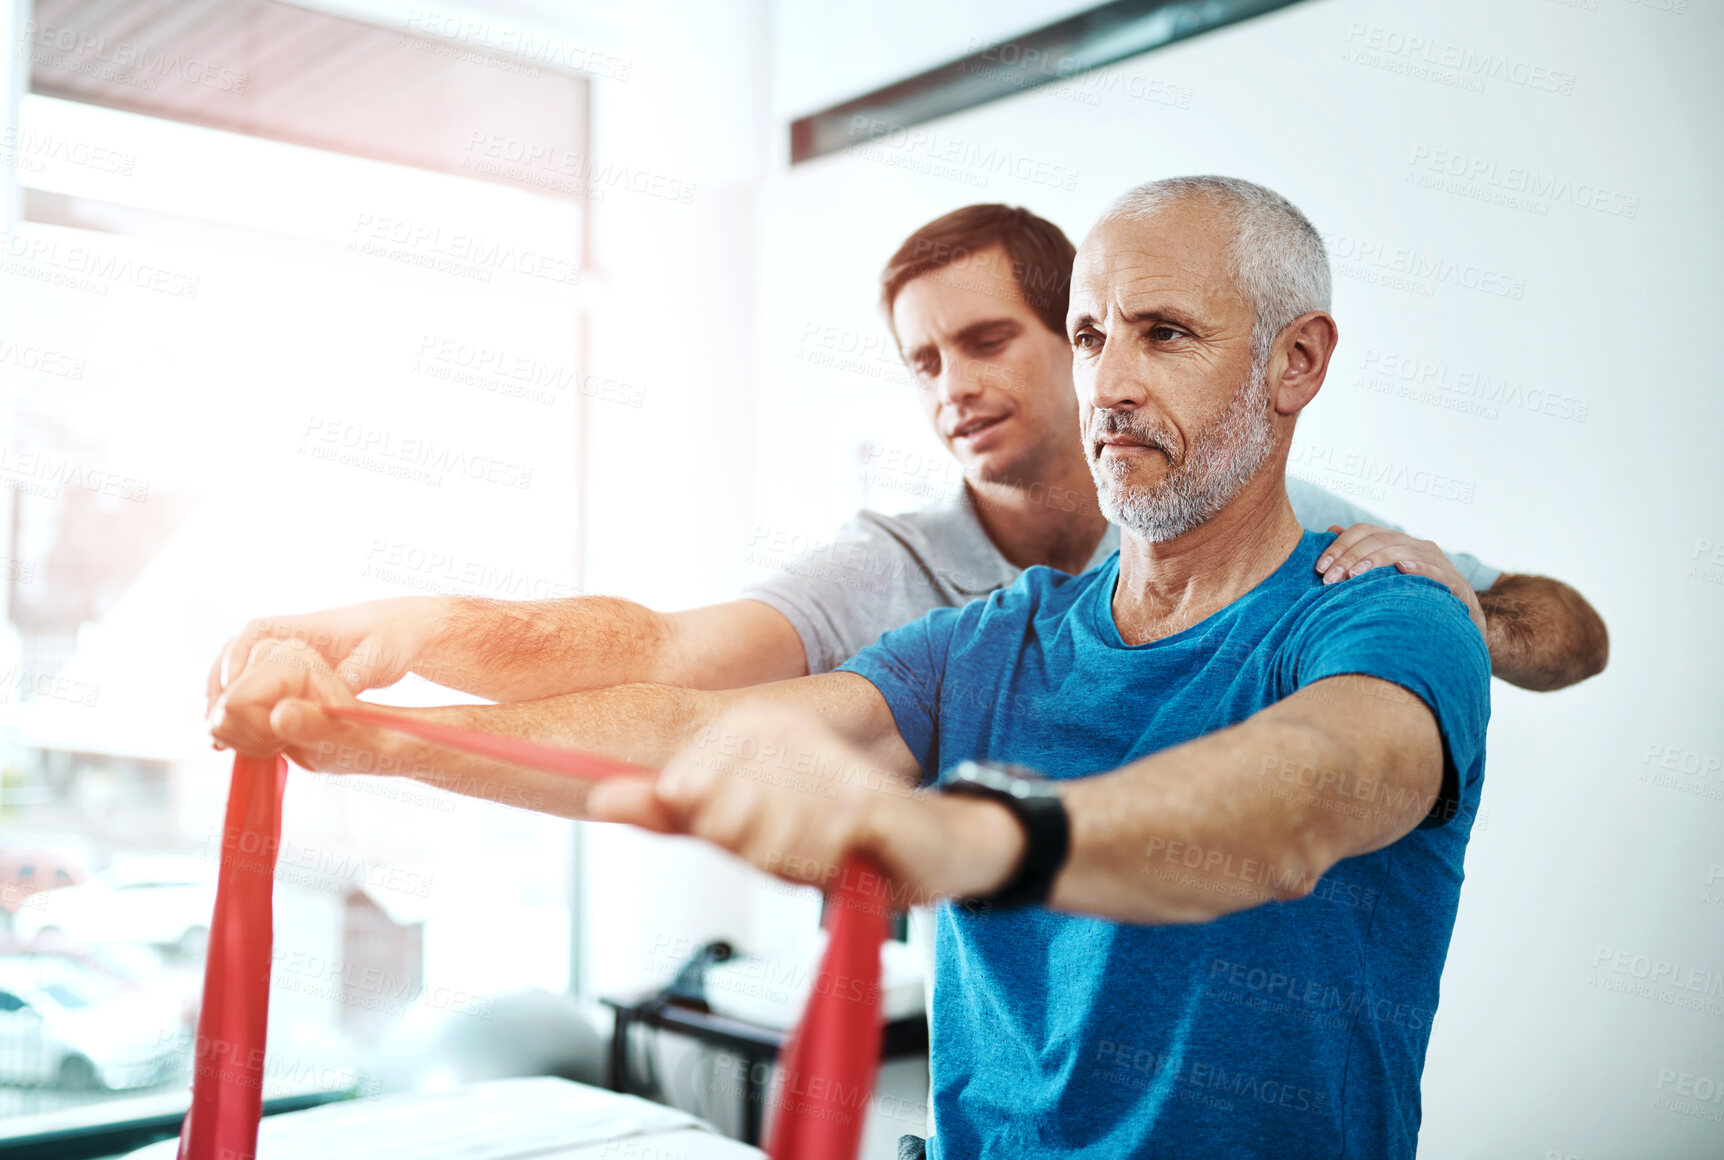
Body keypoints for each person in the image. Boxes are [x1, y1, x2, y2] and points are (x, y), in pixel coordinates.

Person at [211, 177, 1610, 1157]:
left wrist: (1457, 638)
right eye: (1092, 337)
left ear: (1296, 365)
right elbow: (690, 695)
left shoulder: (1380, 591)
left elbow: (1306, 799)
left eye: (1163, 335)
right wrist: (376, 730)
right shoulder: (962, 618)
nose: (1107, 379)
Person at [206, 209, 1605, 725]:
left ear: (1086, 346)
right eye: (923, 364)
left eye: (990, 341)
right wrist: (411, 633)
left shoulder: (1309, 536)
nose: (955, 389)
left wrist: (1456, 609)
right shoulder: (894, 571)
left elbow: (1570, 640)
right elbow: (660, 647)